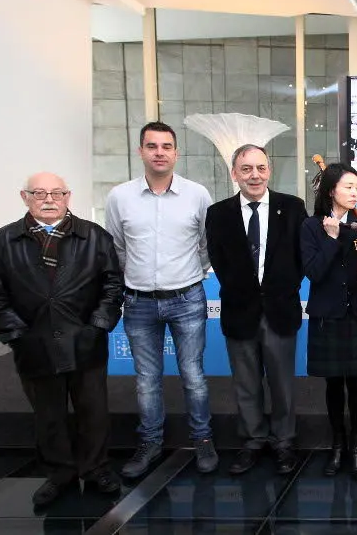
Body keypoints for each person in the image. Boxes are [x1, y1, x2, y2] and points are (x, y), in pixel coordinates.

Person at [0, 173, 124, 506]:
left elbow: (112, 285)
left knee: (94, 411)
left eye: (57, 193)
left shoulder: (94, 236)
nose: (49, 199)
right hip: (34, 343)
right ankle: (59, 474)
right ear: (24, 196)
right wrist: (17, 336)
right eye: (40, 192)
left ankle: (96, 469)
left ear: (68, 196)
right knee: (48, 414)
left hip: (85, 340)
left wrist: (99, 326)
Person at [105, 121, 218, 478]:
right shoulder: (119, 197)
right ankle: (150, 442)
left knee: (194, 375)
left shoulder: (197, 194)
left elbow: (205, 246)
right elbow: (117, 248)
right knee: (146, 379)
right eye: (151, 146)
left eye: (166, 146)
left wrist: (187, 276)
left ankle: (202, 439)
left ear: (176, 153)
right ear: (140, 151)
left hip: (187, 298)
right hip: (137, 301)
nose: (159, 152)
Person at [205, 144, 308, 475]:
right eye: (246, 168)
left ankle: (284, 442)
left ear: (270, 170)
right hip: (239, 310)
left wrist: (280, 288)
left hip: (280, 310)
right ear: (234, 173)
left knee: (282, 384)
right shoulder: (218, 213)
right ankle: (252, 441)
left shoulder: (292, 208)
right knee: (246, 383)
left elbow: (300, 258)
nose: (255, 174)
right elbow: (219, 260)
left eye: (261, 167)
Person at [300, 163, 357, 481]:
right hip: (328, 317)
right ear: (331, 191)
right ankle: (336, 444)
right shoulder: (312, 227)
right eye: (348, 186)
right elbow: (313, 272)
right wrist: (330, 237)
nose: (355, 192)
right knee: (332, 386)